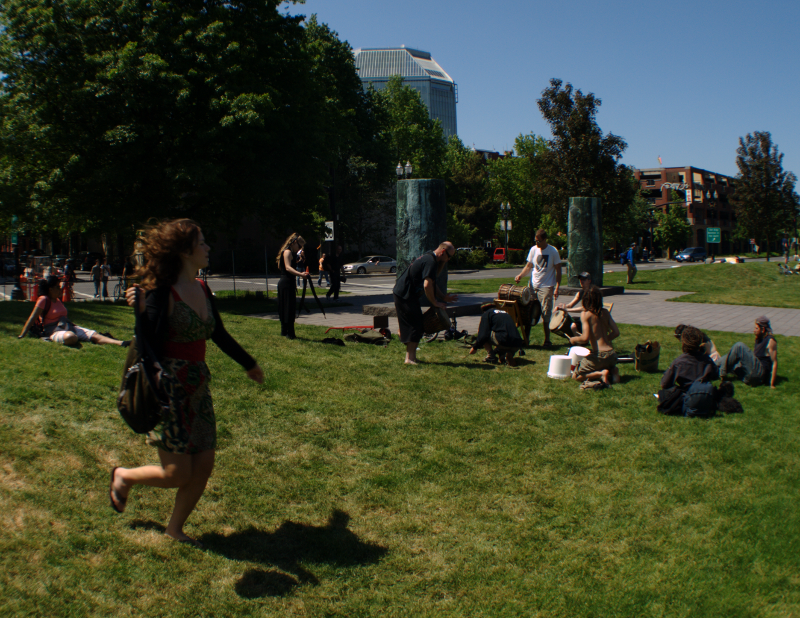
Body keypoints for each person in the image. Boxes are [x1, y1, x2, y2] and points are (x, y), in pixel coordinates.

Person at [113, 219, 264, 547]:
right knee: (177, 474)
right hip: (170, 389)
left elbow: (219, 333)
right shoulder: (160, 291)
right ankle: (124, 476)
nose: (208, 248)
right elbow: (147, 346)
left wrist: (248, 364)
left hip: (198, 386)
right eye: (203, 243)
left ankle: (175, 528)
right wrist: (140, 313)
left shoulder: (203, 289)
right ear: (184, 251)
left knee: (204, 464)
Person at [392, 241, 458, 364]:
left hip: (407, 294)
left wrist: (443, 297)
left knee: (416, 324)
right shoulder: (430, 261)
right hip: (405, 294)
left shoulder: (430, 258)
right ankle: (409, 359)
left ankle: (410, 351)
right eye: (449, 256)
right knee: (415, 325)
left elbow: (432, 283)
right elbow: (427, 286)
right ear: (443, 251)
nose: (448, 260)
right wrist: (435, 303)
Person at [18, 275, 128, 346]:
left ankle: (121, 343)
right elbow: (32, 317)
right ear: (50, 289)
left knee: (94, 334)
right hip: (53, 331)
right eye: (57, 287)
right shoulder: (43, 299)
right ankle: (54, 338)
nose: (60, 289)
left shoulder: (58, 300)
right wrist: (22, 335)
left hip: (69, 326)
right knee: (71, 337)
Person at [514, 229, 561, 347]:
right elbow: (529, 266)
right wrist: (520, 275)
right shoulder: (533, 250)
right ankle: (526, 339)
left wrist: (557, 287)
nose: (537, 243)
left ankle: (547, 340)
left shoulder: (553, 251)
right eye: (535, 241)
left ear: (545, 240)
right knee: (528, 311)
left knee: (545, 312)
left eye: (539, 241)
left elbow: (558, 270)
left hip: (546, 286)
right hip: (533, 285)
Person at [568, 285, 620, 386]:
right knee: (603, 363)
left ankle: (601, 374)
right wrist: (604, 339)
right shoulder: (605, 312)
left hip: (599, 356)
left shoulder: (586, 314)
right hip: (612, 355)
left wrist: (573, 339)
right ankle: (613, 371)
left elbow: (584, 338)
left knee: (576, 376)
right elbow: (616, 332)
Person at [716, 316, 778, 389]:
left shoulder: (770, 341)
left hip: (759, 374)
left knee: (739, 346)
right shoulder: (759, 338)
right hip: (750, 376)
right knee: (731, 357)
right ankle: (713, 368)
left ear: (763, 329)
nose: (754, 330)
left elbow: (774, 362)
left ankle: (722, 373)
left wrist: (772, 384)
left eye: (756, 328)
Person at [661, 326, 719, 391]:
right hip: (704, 394)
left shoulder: (678, 362)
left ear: (683, 342)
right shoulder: (707, 360)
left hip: (687, 395)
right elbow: (715, 375)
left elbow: (665, 383)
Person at [277, 233, 309, 339]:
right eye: (299, 246)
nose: (299, 249)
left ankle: (285, 332)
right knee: (288, 308)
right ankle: (289, 333)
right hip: (286, 283)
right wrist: (301, 274)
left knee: (287, 308)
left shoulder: (289, 252)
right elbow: (287, 268)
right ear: (294, 242)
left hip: (288, 283)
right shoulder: (287, 251)